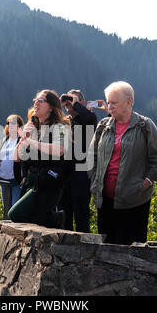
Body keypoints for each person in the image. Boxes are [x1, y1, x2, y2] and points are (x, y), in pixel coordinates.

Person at [87, 81, 157, 245]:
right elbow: (91, 156)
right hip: (105, 201)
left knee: (132, 249)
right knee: (107, 249)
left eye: (114, 102)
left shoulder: (145, 125)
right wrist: (95, 181)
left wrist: (146, 182)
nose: (110, 107)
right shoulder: (103, 126)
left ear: (129, 102)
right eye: (108, 102)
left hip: (134, 201)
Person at [8, 89, 72, 229]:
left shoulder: (60, 127)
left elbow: (59, 150)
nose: (36, 102)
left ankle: (56, 218)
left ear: (51, 107)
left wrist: (31, 142)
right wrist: (23, 139)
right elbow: (16, 157)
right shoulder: (32, 128)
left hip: (49, 181)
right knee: (28, 219)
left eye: (41, 100)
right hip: (32, 180)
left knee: (16, 214)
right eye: (35, 100)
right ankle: (56, 219)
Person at [57, 89, 97, 232]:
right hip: (65, 173)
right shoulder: (65, 121)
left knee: (81, 214)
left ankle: (84, 249)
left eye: (73, 100)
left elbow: (90, 118)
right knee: (63, 213)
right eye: (69, 100)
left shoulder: (88, 119)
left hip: (81, 172)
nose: (70, 104)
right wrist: (59, 105)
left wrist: (76, 106)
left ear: (81, 103)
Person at [0, 114, 24, 219]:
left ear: (19, 126)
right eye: (8, 123)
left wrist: (24, 175)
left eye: (13, 123)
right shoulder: (4, 140)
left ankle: (17, 233)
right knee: (6, 210)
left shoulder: (22, 140)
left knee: (15, 209)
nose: (10, 125)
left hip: (16, 180)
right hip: (3, 180)